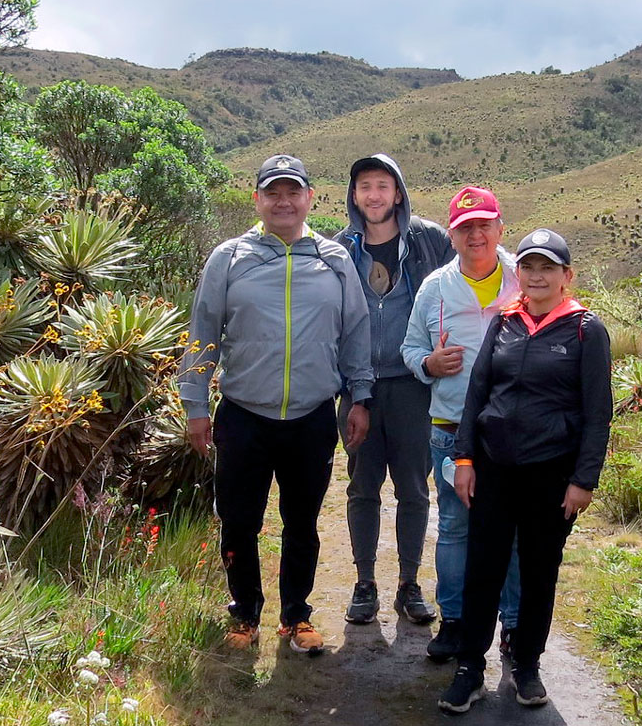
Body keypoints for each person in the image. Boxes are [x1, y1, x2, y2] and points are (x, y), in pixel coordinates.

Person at [179, 154, 373, 656]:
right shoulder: (229, 258)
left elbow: (355, 332)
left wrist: (360, 396)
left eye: (292, 192)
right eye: (273, 193)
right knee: (238, 521)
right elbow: (203, 332)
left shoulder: (334, 259)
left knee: (302, 522)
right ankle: (244, 614)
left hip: (311, 416)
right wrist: (195, 404)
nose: (283, 202)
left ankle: (296, 616)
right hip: (244, 414)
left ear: (310, 198)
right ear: (258, 200)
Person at [437, 228, 611, 713]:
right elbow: (477, 394)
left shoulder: (586, 330)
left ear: (566, 275)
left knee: (538, 572)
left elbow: (598, 413)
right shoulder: (505, 322)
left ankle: (527, 665)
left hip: (550, 474)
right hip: (493, 469)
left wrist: (583, 480)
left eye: (547, 268)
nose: (536, 276)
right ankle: (470, 668)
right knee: (483, 569)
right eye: (529, 267)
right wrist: (465, 459)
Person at [402, 186, 523, 662]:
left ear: (500, 228)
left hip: (513, 431)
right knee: (454, 527)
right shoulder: (435, 287)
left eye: (483, 225)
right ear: (451, 236)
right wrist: (428, 364)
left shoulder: (524, 278)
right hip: (451, 428)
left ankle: (514, 627)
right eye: (465, 228)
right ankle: (453, 622)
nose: (475, 235)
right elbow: (410, 347)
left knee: (512, 531)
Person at [333, 154, 451, 626]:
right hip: (357, 387)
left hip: (413, 385)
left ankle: (408, 584)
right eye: (365, 186)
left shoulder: (429, 241)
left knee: (414, 490)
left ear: (398, 192)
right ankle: (365, 584)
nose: (374, 195)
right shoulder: (340, 250)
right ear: (354, 195)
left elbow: (472, 271)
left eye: (383, 185)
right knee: (362, 487)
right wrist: (352, 390)